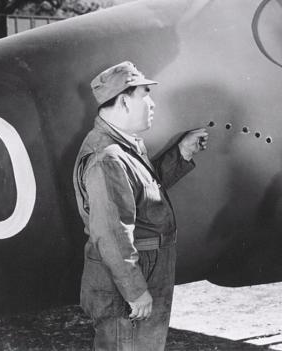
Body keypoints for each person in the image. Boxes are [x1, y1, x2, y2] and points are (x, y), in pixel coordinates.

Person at [73, 61, 208, 350]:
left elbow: (142, 189)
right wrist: (135, 292)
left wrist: (182, 152)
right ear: (123, 101)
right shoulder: (107, 157)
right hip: (130, 279)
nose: (152, 103)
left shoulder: (123, 145)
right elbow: (111, 232)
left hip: (139, 271)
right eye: (145, 94)